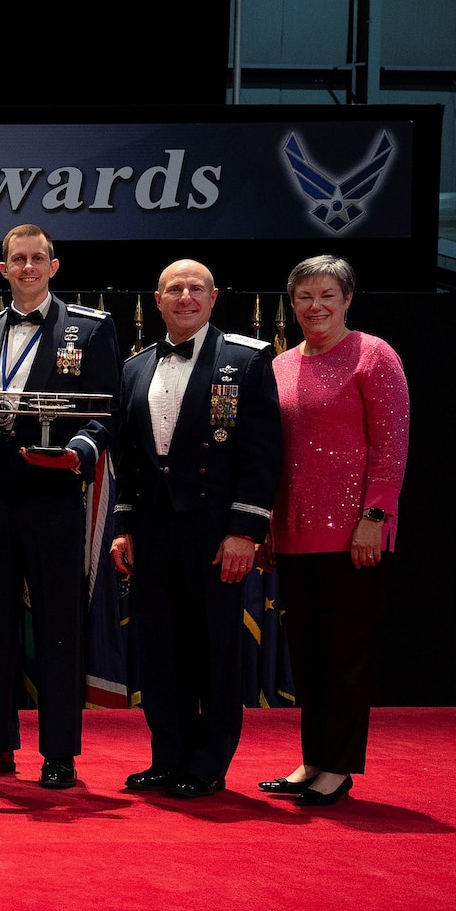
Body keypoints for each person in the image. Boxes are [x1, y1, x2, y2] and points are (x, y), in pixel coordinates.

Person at [108, 261, 281, 800]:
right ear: (157, 299)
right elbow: (129, 458)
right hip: (155, 530)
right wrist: (124, 526)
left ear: (213, 297)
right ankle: (168, 756)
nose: (185, 296)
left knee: (214, 649)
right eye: (175, 289)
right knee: (159, 649)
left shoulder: (246, 360)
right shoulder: (135, 368)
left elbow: (261, 452)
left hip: (214, 531)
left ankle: (207, 762)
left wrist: (245, 532)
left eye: (196, 289)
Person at [0, 224, 117, 790]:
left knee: (57, 623)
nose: (27, 268)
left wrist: (79, 451)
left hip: (54, 491)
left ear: (55, 265)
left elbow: (107, 412)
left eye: (37, 259)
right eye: (17, 259)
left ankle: (59, 752)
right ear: (2, 269)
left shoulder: (90, 328)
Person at [261, 255, 408, 807]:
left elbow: (391, 445)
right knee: (308, 655)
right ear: (292, 304)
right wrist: (270, 527)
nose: (315, 306)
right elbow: (276, 454)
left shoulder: (374, 355)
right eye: (304, 297)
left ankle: (339, 768)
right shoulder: (280, 366)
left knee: (346, 654)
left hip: (355, 535)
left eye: (327, 295)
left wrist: (375, 518)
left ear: (348, 298)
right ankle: (313, 759)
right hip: (294, 533)